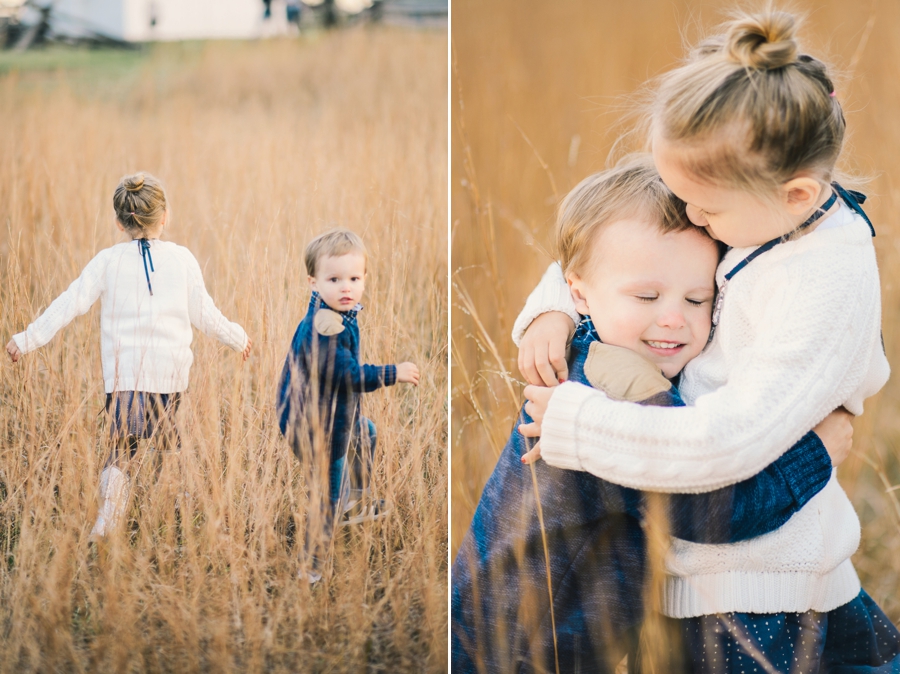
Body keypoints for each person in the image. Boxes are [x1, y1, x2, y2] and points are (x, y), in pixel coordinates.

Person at [517, 10, 900, 673]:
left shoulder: (824, 285)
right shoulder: (761, 208)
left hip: (763, 589)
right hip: (712, 573)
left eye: (705, 209)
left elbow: (729, 439)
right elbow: (619, 245)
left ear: (797, 192)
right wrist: (555, 306)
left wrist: (579, 425)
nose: (691, 217)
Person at [451, 156, 849, 673]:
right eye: (647, 296)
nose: (672, 319)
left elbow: (598, 264)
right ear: (579, 294)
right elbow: (709, 511)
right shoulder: (624, 388)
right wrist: (813, 456)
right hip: (521, 649)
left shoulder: (600, 343)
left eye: (697, 299)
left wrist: (557, 308)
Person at [5, 172, 251, 539]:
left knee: (122, 445)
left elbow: (69, 303)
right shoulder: (182, 259)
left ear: (119, 222)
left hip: (125, 375)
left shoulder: (107, 261)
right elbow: (205, 315)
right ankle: (176, 512)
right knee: (169, 443)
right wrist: (238, 338)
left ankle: (109, 517)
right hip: (170, 375)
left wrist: (27, 339)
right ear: (164, 217)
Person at [276, 229, 419, 583]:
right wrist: (393, 372)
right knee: (325, 497)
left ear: (365, 278)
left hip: (334, 416)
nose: (346, 287)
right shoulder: (324, 326)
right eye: (334, 279)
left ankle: (355, 496)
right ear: (313, 282)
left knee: (366, 432)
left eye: (354, 278)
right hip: (315, 428)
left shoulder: (340, 315)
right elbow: (348, 375)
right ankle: (311, 568)